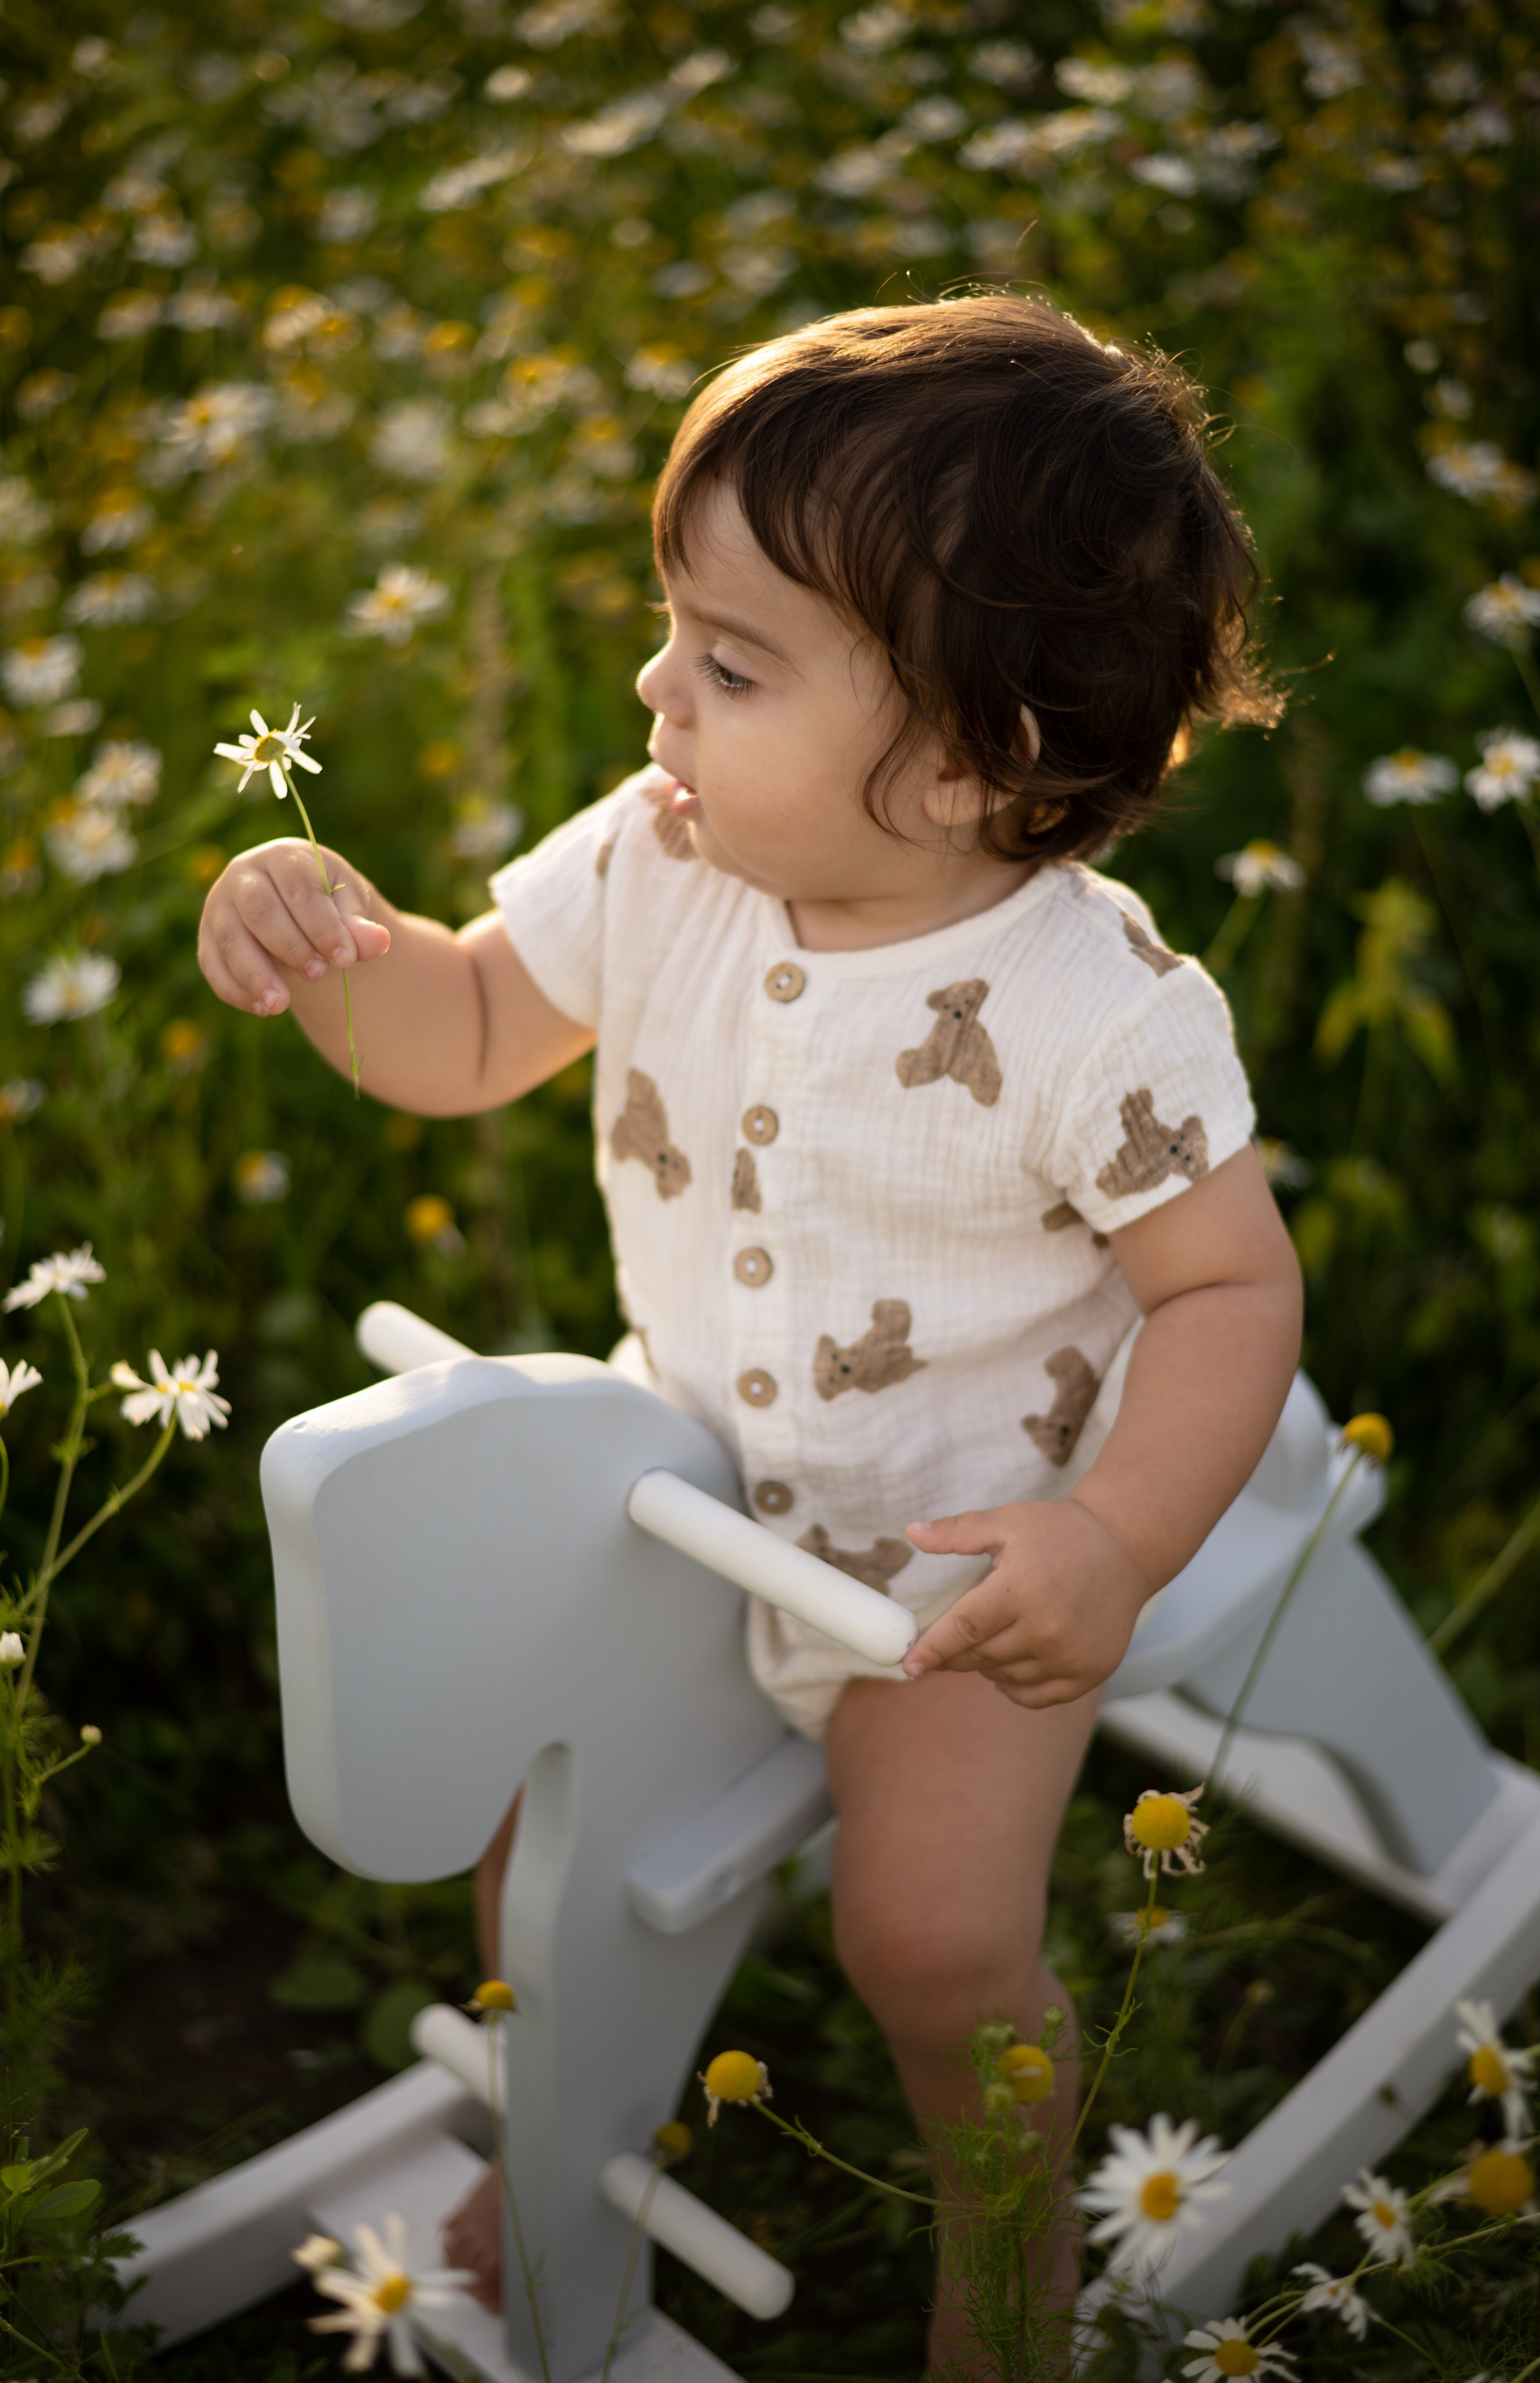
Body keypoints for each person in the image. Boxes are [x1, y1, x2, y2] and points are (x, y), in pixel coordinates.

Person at [198, 295, 1303, 2364]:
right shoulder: (656, 864)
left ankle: (1011, 2276)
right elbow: (459, 1031)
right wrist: (328, 945)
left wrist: (1112, 1542)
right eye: (668, 628)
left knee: (933, 1938)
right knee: (545, 1824)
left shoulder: (1093, 1006)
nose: (656, 690)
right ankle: (551, 2133)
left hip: (953, 1575)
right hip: (686, 1487)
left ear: (986, 760)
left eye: (730, 664)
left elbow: (1231, 1288)